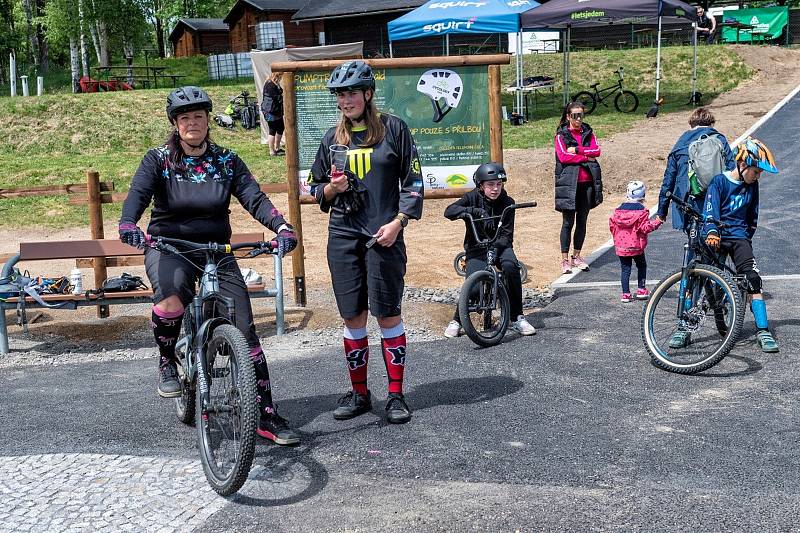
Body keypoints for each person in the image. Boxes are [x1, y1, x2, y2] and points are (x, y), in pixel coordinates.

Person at [118, 86, 301, 445]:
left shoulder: (227, 160)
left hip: (217, 249)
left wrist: (281, 226)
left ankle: (265, 415)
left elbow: (254, 197)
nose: (192, 123)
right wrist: (128, 224)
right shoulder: (158, 160)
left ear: (207, 121)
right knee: (171, 302)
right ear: (175, 123)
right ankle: (168, 360)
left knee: (246, 332)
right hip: (169, 245)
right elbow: (136, 196)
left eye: (198, 116)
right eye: (185, 118)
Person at [308, 60, 424, 424]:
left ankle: (395, 394)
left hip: (383, 236)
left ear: (368, 94)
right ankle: (359, 392)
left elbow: (415, 182)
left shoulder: (394, 130)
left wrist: (399, 222)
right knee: (352, 315)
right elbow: (313, 187)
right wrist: (330, 188)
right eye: (340, 95)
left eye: (352, 93)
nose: (345, 100)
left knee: (387, 314)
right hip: (342, 235)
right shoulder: (331, 139)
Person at [697, 137, 779, 353]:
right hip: (716, 235)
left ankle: (763, 330)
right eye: (756, 171)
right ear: (742, 165)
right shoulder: (719, 182)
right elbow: (710, 209)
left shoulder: (752, 186)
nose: (758, 176)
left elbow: (753, 215)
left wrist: (746, 240)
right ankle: (684, 328)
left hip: (739, 236)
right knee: (700, 278)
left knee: (753, 279)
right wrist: (712, 230)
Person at [443, 163, 536, 338]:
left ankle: (516, 317)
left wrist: (495, 250)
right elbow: (449, 211)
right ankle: (458, 319)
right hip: (476, 247)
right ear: (481, 185)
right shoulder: (471, 198)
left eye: (498, 184)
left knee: (511, 267)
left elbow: (507, 235)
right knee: (473, 282)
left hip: (500, 246)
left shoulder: (508, 203)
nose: (495, 189)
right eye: (490, 185)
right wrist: (474, 211)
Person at [656, 107, 734, 230]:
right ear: (711, 124)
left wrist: (662, 211)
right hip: (716, 198)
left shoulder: (681, 143)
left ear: (691, 125)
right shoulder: (719, 140)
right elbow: (732, 169)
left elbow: (668, 180)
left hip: (688, 199)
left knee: (693, 235)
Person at [554, 101, 603, 275]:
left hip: (587, 184)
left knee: (582, 221)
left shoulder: (588, 132)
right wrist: (584, 157)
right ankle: (565, 259)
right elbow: (564, 157)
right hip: (569, 185)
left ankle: (577, 256)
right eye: (575, 115)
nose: (578, 118)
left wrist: (577, 150)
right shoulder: (561, 135)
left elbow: (596, 151)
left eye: (581, 115)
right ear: (568, 117)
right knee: (568, 222)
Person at [609, 181, 662, 303]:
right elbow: (645, 228)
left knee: (625, 269)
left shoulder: (618, 211)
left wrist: (617, 236)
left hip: (622, 246)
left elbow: (612, 225)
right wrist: (657, 222)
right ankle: (641, 289)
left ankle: (625, 294)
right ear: (643, 196)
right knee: (641, 265)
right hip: (636, 246)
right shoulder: (642, 211)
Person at [261, 71, 285, 157]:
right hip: (270, 111)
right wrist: (283, 95)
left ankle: (277, 148)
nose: (282, 78)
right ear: (277, 76)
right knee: (272, 130)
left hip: (276, 111)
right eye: (281, 76)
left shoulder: (274, 83)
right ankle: (272, 151)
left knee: (281, 128)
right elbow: (276, 97)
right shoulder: (270, 84)